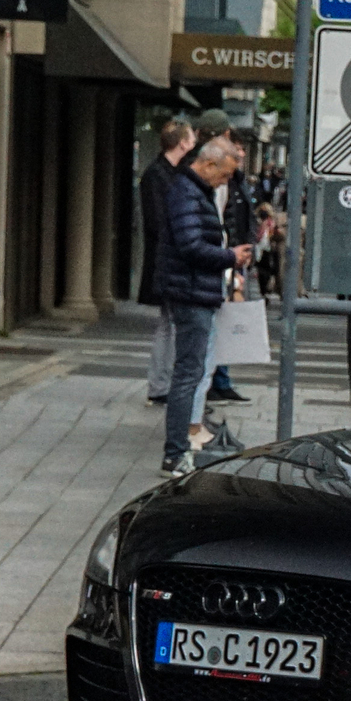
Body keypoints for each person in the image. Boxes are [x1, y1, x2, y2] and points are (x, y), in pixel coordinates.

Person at [158, 138, 253, 475]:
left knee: (192, 371)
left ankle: (179, 448)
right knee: (188, 373)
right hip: (191, 292)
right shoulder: (187, 191)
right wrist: (230, 256)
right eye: (225, 175)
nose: (225, 182)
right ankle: (176, 452)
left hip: (195, 290)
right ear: (210, 165)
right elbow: (190, 245)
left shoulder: (193, 190)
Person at [193, 109, 252, 406]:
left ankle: (218, 383)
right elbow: (201, 234)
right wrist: (230, 256)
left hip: (223, 258)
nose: (222, 180)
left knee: (216, 333)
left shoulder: (225, 179)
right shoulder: (194, 184)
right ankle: (195, 415)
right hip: (211, 266)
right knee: (199, 352)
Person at [139, 118, 195, 406]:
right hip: (168, 260)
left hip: (173, 258)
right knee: (169, 324)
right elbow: (157, 222)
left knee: (170, 323)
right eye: (191, 139)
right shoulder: (156, 175)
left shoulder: (178, 173)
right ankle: (161, 385)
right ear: (182, 143)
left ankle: (163, 384)